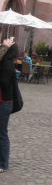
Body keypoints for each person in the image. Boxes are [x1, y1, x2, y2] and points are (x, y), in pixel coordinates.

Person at [0, 38, 17, 173]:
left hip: (4, 102)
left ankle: (3, 163)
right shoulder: (4, 62)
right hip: (3, 102)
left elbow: (4, 82)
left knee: (2, 133)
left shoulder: (7, 64)